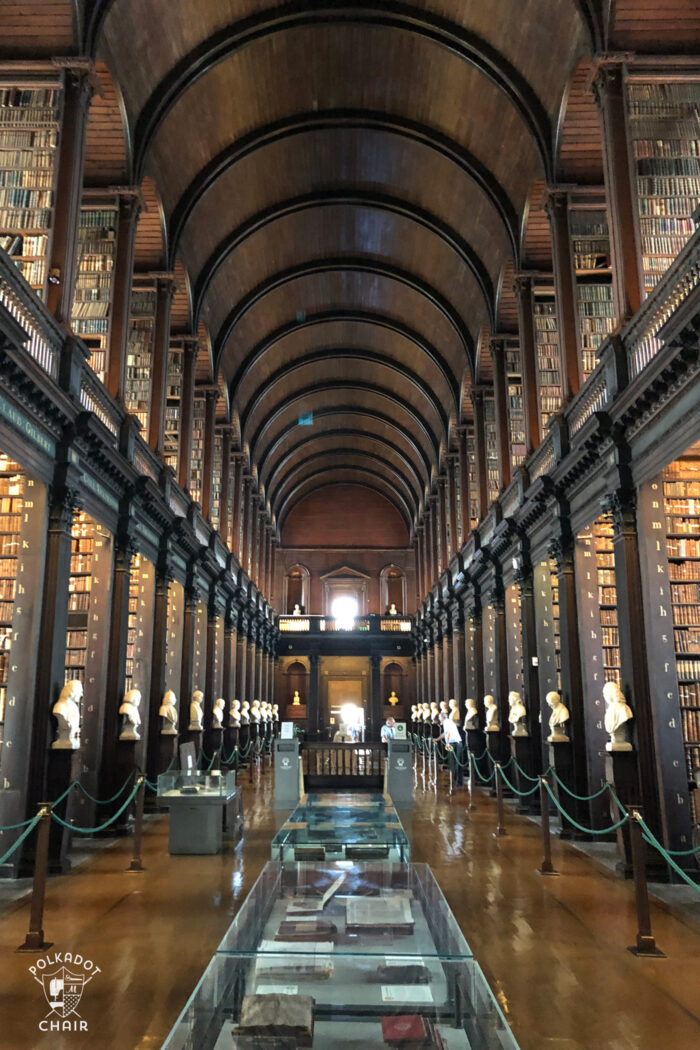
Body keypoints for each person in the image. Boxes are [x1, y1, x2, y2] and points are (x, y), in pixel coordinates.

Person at [436, 710, 464, 786]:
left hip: (454, 743)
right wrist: (437, 739)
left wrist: (447, 743)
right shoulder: (448, 722)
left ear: (442, 717)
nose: (439, 719)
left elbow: (448, 733)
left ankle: (457, 781)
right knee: (454, 762)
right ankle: (455, 781)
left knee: (454, 762)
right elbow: (445, 734)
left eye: (439, 717)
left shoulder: (446, 722)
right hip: (455, 743)